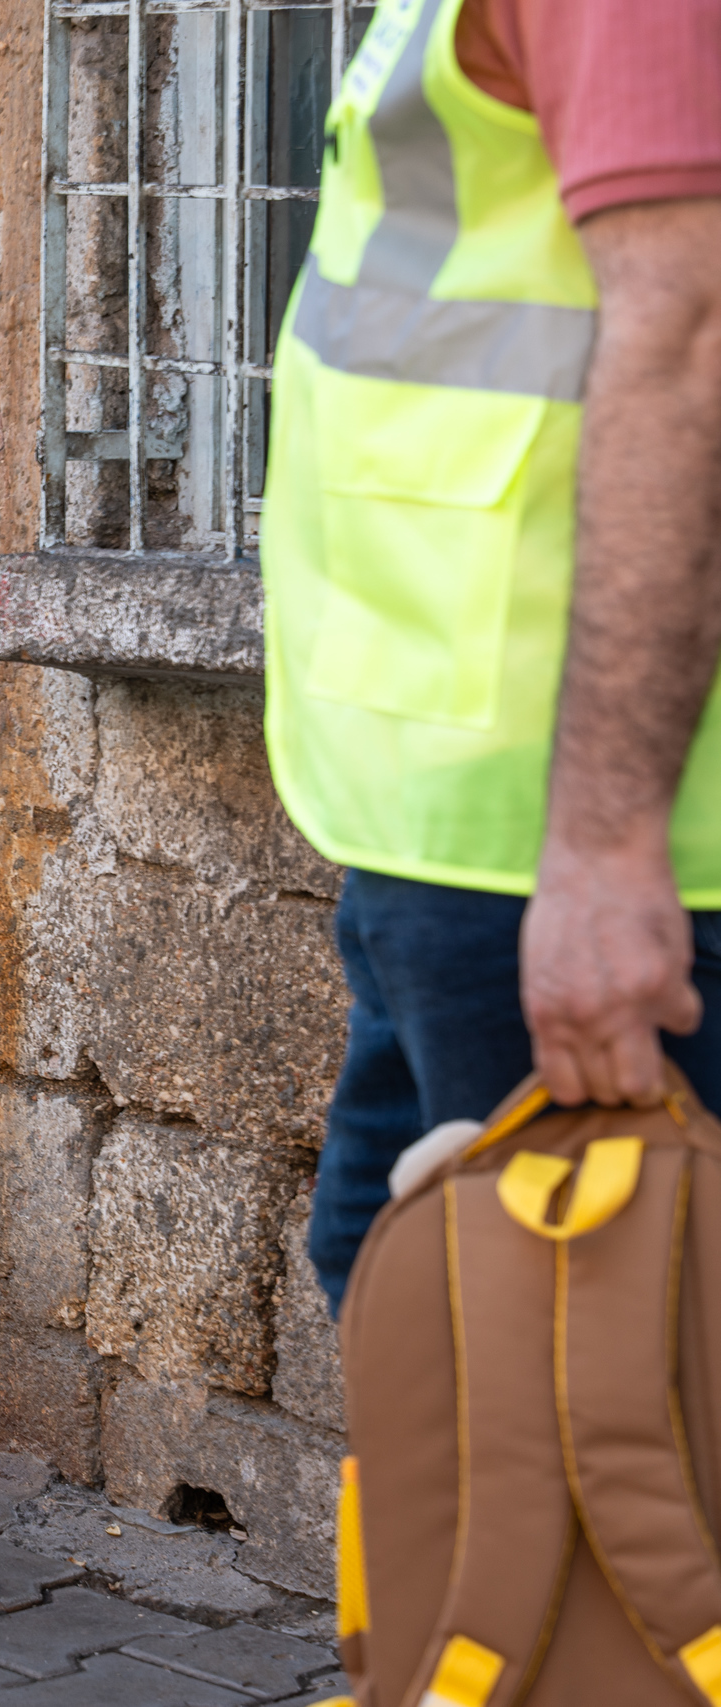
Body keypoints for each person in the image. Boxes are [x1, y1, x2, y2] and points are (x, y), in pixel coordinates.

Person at [260, 0, 721, 1311]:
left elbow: (690, 336)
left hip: (566, 835)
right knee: (410, 1301)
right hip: (454, 817)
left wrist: (606, 850)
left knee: (558, 1376)